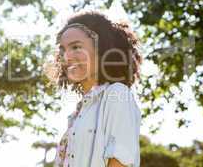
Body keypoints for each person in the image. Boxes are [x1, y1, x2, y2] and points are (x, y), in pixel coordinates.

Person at [45, 11, 142, 167]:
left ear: (101, 49)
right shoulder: (79, 112)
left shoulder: (116, 94)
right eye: (62, 49)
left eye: (76, 47)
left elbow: (120, 161)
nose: (66, 57)